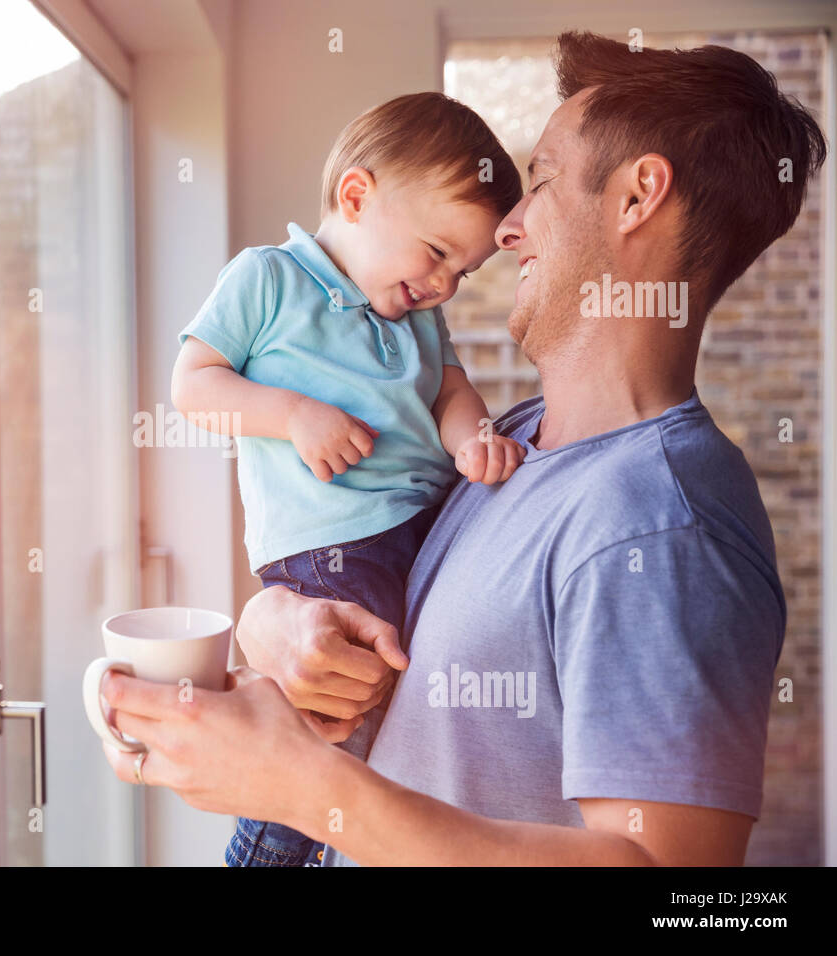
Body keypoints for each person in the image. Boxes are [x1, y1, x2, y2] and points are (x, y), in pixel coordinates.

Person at [102, 30, 827, 866]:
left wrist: (305, 787)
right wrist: (277, 622)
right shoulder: (507, 445)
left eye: (543, 180)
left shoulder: (662, 526)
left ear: (637, 198)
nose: (509, 227)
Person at [171, 92, 525, 866]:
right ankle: (263, 853)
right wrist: (293, 414)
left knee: (397, 714)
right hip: (333, 546)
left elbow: (451, 393)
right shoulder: (268, 279)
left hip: (421, 530)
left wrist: (474, 439)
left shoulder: (421, 321)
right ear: (357, 197)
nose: (444, 285)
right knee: (339, 719)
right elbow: (193, 385)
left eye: (463, 271)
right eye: (436, 253)